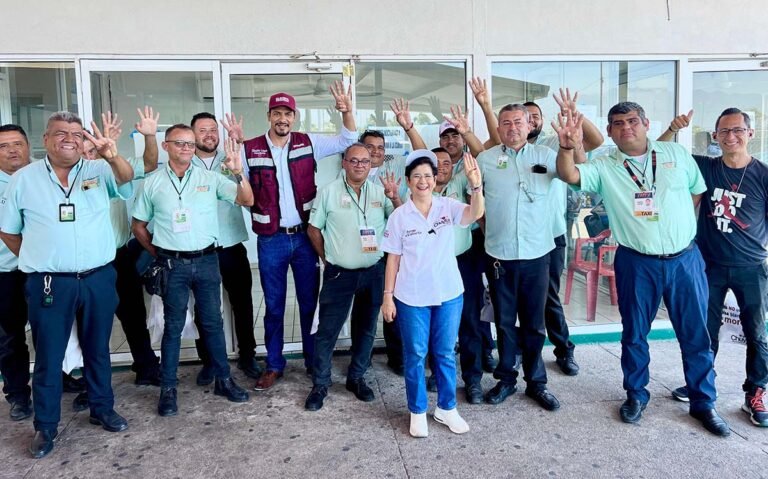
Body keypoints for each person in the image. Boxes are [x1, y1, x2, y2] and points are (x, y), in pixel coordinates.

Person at [555, 102, 730, 436]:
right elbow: (570, 174)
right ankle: (636, 394)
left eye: (632, 121)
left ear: (646, 123)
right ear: (609, 131)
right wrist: (566, 146)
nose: (626, 128)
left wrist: (674, 233)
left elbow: (696, 194)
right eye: (618, 123)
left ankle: (703, 402)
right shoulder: (605, 166)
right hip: (637, 261)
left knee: (696, 334)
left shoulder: (675, 154)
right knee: (634, 333)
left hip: (684, 260)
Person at [0, 111, 134, 458]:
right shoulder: (24, 179)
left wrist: (111, 154)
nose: (69, 138)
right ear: (45, 140)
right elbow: (9, 229)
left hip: (98, 278)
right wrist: (38, 258)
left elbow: (127, 179)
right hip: (49, 282)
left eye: (76, 133)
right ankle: (45, 426)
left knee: (98, 349)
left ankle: (102, 408)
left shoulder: (97, 170)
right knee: (49, 354)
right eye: (60, 133)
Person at [131, 124, 253, 416]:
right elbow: (138, 226)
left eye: (190, 143)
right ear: (166, 146)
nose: (186, 148)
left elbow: (246, 200)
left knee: (212, 323)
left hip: (207, 261)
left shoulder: (210, 179)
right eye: (180, 143)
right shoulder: (152, 183)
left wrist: (238, 173)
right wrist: (158, 253)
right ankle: (169, 389)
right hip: (172, 264)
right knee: (172, 328)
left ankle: (224, 380)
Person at [659, 108, 768, 427]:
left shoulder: (763, 175)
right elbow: (660, 152)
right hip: (707, 266)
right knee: (704, 332)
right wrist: (672, 127)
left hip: (751, 268)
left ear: (750, 133)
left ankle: (756, 391)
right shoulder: (705, 167)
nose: (730, 136)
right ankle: (701, 384)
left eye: (737, 130)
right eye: (723, 131)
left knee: (757, 334)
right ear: (715, 136)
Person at [244, 83, 356, 390]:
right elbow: (235, 184)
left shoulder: (308, 142)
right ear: (269, 116)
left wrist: (346, 111)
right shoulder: (249, 148)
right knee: (274, 305)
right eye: (277, 113)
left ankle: (312, 359)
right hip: (271, 240)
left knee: (309, 303)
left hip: (305, 238)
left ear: (294, 117)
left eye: (288, 114)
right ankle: (274, 364)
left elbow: (349, 139)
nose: (282, 118)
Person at [381, 149, 484, 438]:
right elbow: (393, 260)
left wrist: (476, 186)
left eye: (428, 175)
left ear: (435, 179)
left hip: (449, 293)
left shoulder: (446, 206)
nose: (423, 181)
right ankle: (417, 410)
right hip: (411, 296)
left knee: (445, 353)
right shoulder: (400, 217)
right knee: (415, 354)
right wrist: (387, 296)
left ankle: (446, 408)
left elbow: (475, 213)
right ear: (408, 181)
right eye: (417, 176)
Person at [67, 109, 161, 414]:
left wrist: (149, 134)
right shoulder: (67, 178)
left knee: (133, 316)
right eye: (85, 146)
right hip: (86, 262)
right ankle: (95, 386)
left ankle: (146, 367)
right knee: (93, 328)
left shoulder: (116, 170)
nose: (90, 152)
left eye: (95, 147)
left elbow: (147, 163)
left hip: (119, 256)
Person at [477, 104, 562, 411]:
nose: (511, 128)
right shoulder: (485, 160)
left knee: (534, 324)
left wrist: (569, 141)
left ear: (529, 126)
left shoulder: (547, 157)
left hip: (537, 255)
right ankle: (506, 380)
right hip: (499, 256)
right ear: (498, 128)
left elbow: (572, 169)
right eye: (505, 123)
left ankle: (537, 382)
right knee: (503, 321)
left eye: (517, 122)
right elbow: (476, 203)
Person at [304, 143, 399, 411]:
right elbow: (313, 230)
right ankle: (321, 383)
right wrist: (328, 258)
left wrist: (395, 198)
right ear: (344, 163)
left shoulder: (381, 193)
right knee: (327, 331)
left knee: (366, 328)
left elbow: (401, 220)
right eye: (354, 161)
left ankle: (356, 377)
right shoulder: (329, 192)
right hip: (339, 274)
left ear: (371, 165)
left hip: (373, 272)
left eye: (365, 161)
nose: (359, 166)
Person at [522, 89, 604, 376]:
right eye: (525, 117)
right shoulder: (507, 148)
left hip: (552, 235)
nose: (530, 121)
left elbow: (595, 142)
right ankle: (525, 350)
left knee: (549, 296)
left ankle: (563, 349)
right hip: (518, 238)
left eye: (535, 116)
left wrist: (574, 113)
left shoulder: (552, 143)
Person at [190, 111, 261, 384]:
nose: (209, 135)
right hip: (201, 249)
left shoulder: (232, 158)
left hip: (231, 244)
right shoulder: (187, 163)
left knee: (242, 304)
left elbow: (253, 187)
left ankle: (247, 356)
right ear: (193, 134)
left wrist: (241, 147)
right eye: (203, 130)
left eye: (212, 130)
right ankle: (208, 361)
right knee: (204, 309)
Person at [0, 124, 32, 422]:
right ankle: (18, 394)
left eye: (17, 143)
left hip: (39, 273)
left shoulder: (39, 179)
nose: (12, 150)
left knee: (51, 332)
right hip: (6, 274)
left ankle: (62, 378)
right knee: (10, 338)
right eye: (4, 145)